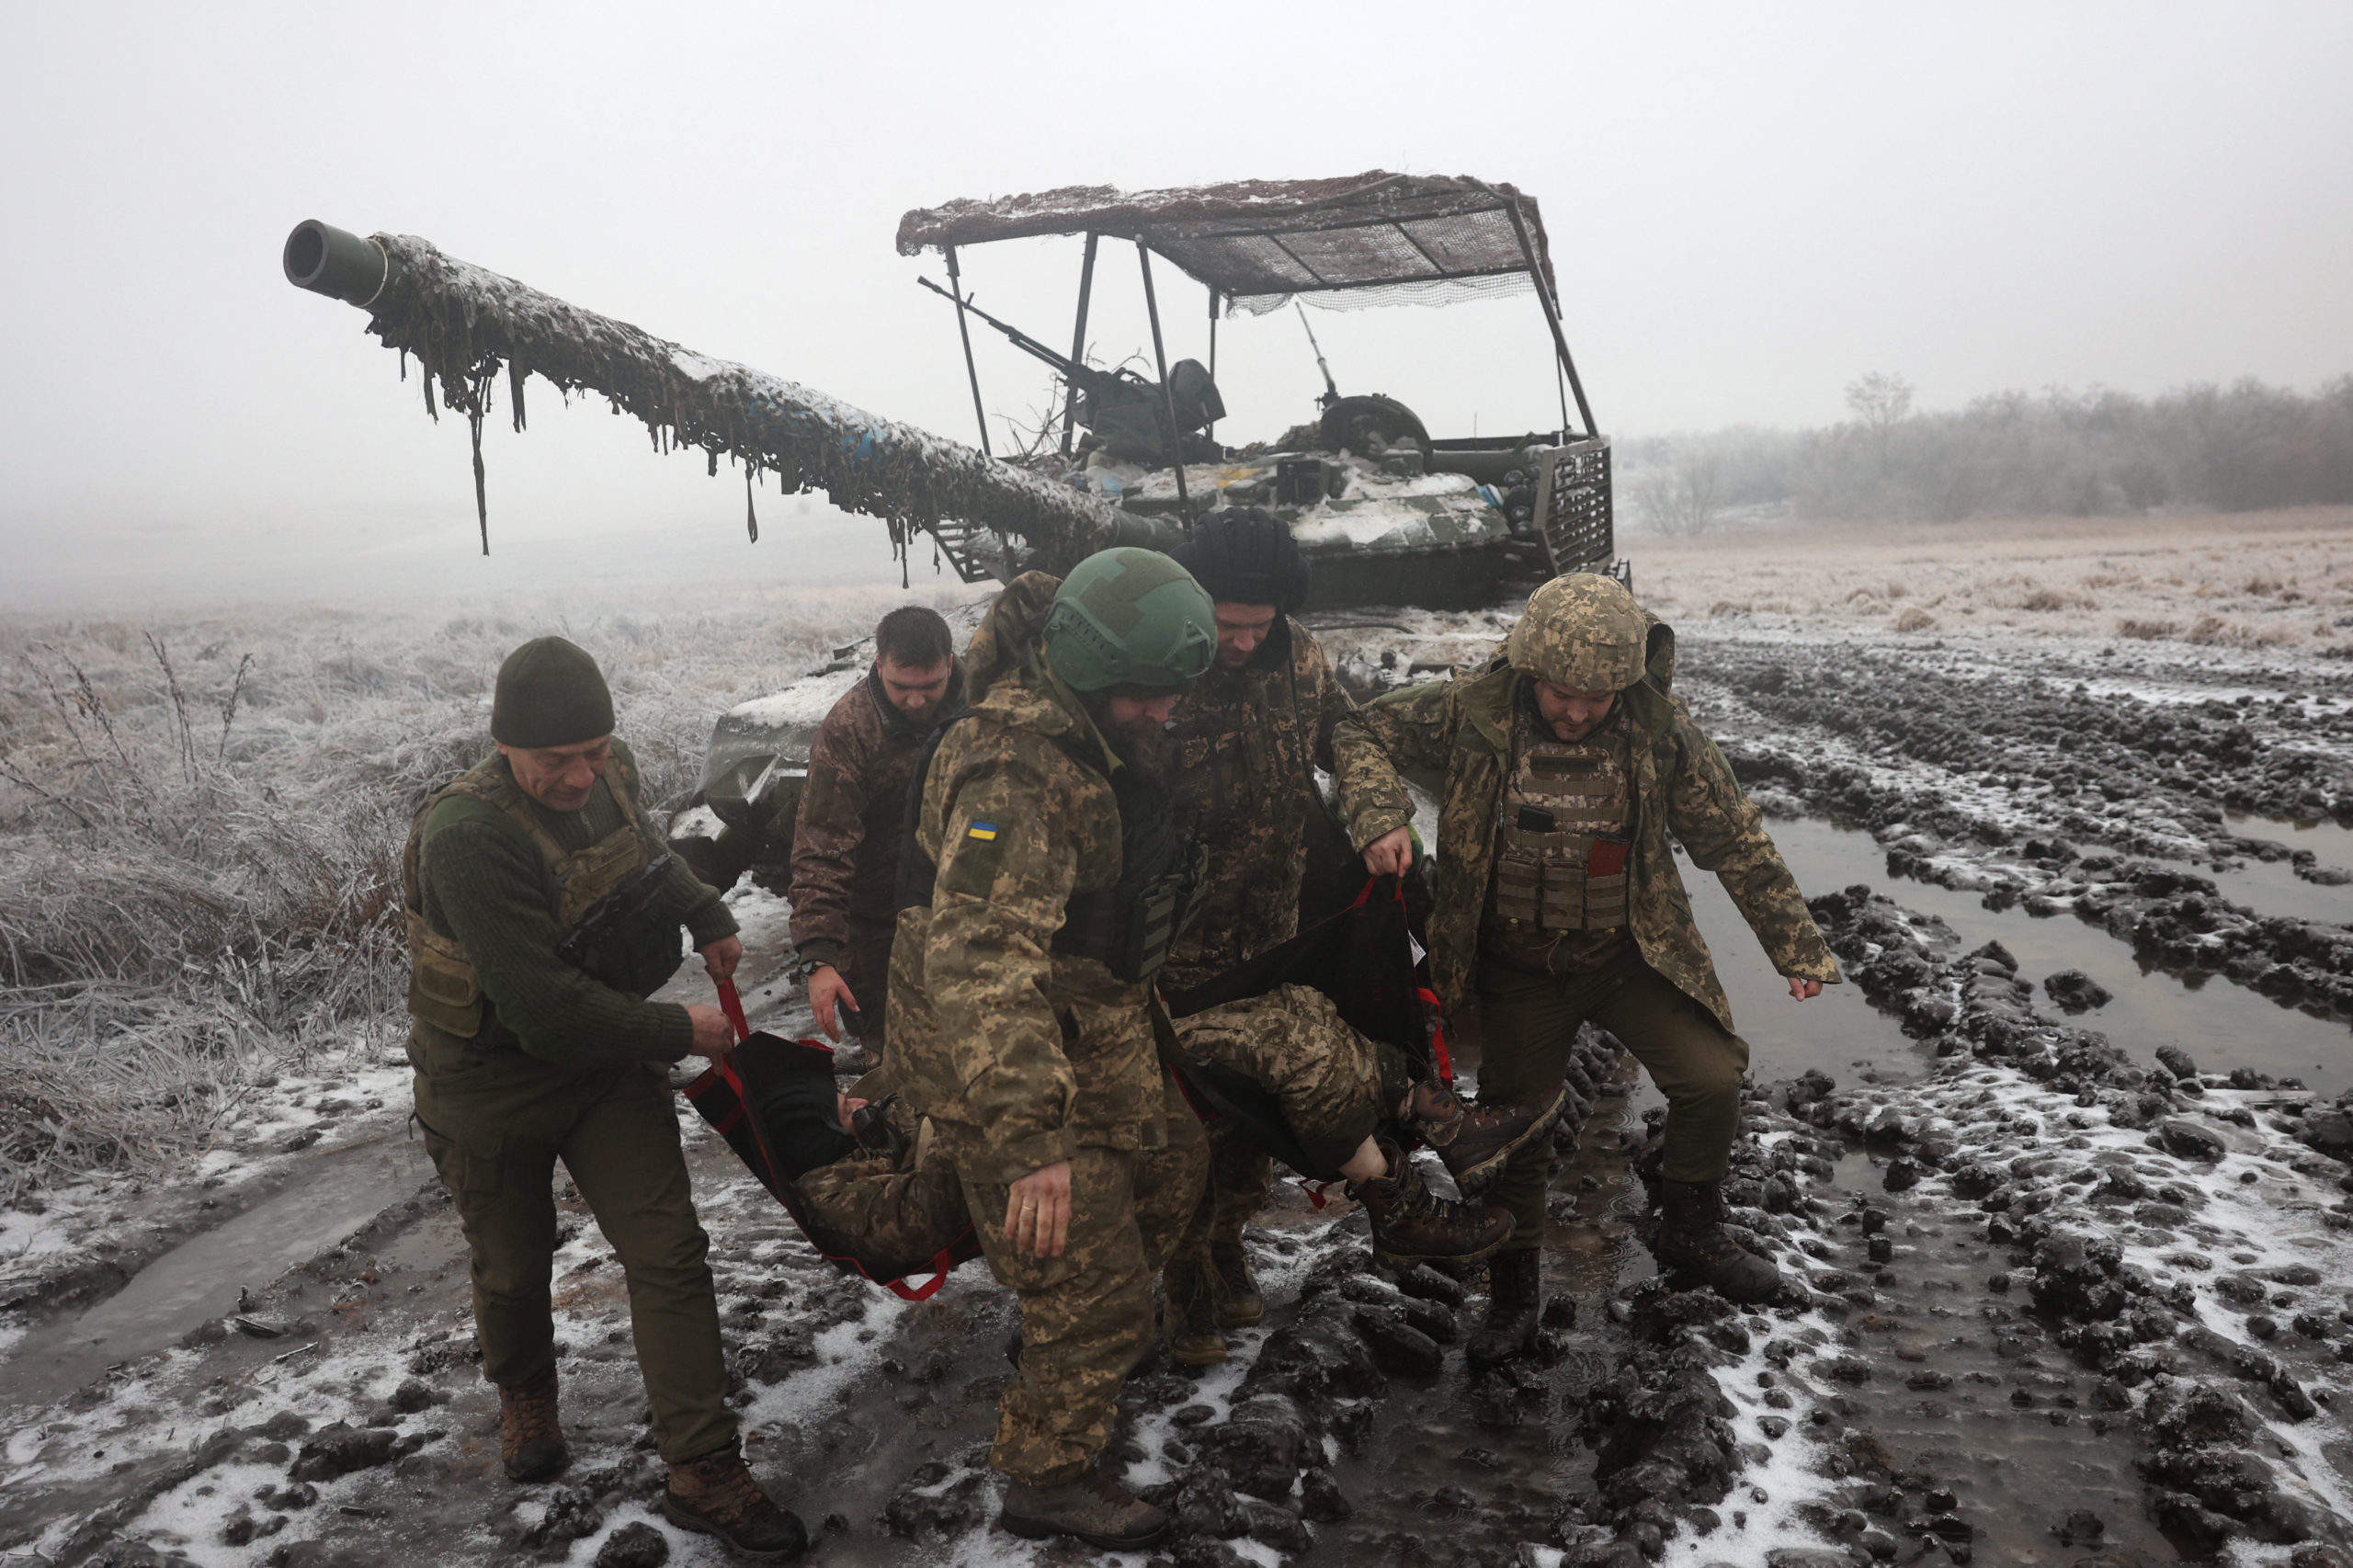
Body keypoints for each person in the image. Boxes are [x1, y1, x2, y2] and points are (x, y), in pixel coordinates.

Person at [1336, 574, 1843, 1360]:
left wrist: (1794, 942)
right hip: (1517, 968)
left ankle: (1693, 1231)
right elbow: (1355, 733)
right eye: (1561, 693)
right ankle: (1512, 1297)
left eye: (1597, 698)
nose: (1575, 712)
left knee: (1712, 1078)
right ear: (1531, 669)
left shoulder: (1658, 731)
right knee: (1517, 1129)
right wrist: (1378, 813)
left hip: (1626, 955)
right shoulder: (1467, 713)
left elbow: (1733, 837)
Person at [403, 636, 805, 1560]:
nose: (582, 773)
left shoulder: (606, 766)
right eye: (558, 760)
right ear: (506, 745)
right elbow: (542, 1008)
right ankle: (526, 1391)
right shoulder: (469, 835)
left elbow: (643, 852)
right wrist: (680, 1031)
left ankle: (703, 1466)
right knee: (512, 1263)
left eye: (594, 750)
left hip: (603, 1063)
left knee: (668, 1249)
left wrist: (706, 912)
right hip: (488, 1077)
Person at [1155, 508, 1552, 1360]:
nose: (1238, 641)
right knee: (1188, 1126)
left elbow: (1348, 732)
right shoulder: (1163, 665)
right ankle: (1184, 1292)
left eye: (1254, 626)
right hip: (1173, 951)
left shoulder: (1298, 657)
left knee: (1251, 1127)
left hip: (1273, 929)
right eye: (1225, 624)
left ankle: (1224, 1252)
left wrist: (1377, 814)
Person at [884, 551, 1218, 1551]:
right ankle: (1045, 1472)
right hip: (1006, 1059)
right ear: (1091, 671)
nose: (1163, 713)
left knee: (1177, 1168)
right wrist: (1033, 1143)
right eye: (1147, 696)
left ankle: (1077, 1339)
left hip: (1086, 1023)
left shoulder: (1085, 726)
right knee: (1096, 1281)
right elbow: (982, 957)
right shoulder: (1013, 770)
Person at [787, 606, 961, 1054]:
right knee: (897, 1059)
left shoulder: (985, 704)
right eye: (902, 688)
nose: (917, 702)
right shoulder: (848, 730)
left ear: (951, 664)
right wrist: (819, 955)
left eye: (930, 687)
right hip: (884, 926)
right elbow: (823, 844)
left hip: (972, 912)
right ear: (879, 666)